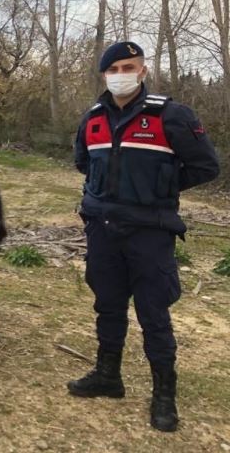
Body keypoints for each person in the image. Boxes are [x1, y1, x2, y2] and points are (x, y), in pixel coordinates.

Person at [70, 41, 220, 432]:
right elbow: (83, 161)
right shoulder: (93, 118)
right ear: (105, 74)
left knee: (154, 315)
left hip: (150, 234)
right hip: (102, 230)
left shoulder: (171, 115)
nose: (122, 74)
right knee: (108, 305)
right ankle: (108, 376)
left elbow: (206, 166)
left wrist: (162, 187)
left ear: (142, 70)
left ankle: (164, 396)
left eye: (129, 66)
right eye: (115, 68)